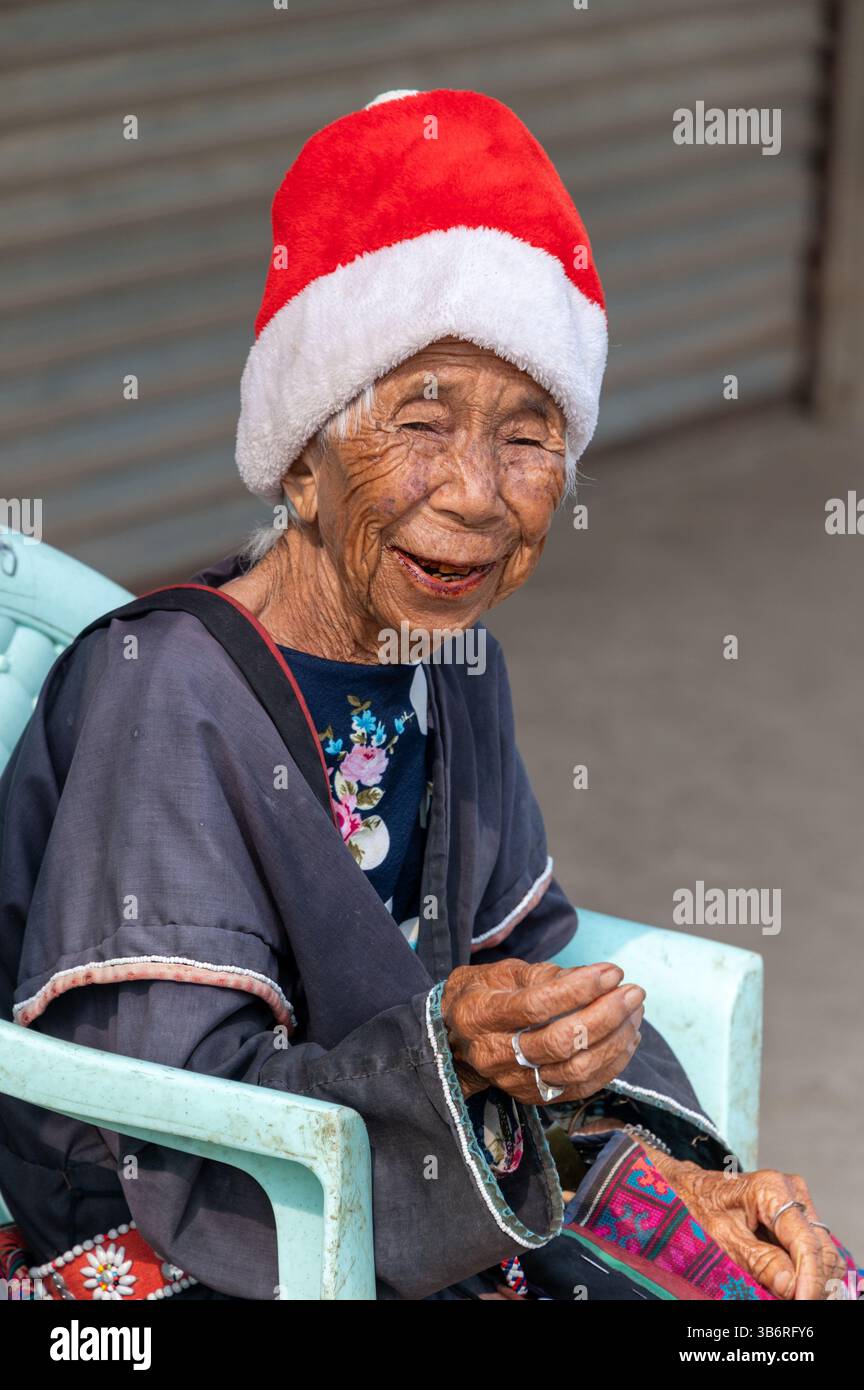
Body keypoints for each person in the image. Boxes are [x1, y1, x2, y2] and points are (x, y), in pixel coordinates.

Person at [0, 89, 851, 1302]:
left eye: (527, 436)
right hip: (189, 1252)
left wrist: (673, 1166)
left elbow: (523, 949)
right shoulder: (167, 692)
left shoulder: (454, 660)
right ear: (301, 456)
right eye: (421, 421)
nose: (475, 494)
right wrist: (447, 1050)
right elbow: (161, 1129)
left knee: (786, 1294)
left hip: (431, 1173)